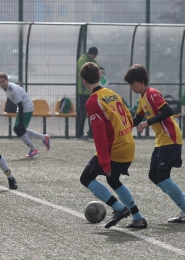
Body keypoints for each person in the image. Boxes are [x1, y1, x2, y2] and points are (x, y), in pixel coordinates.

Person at [79, 62, 147, 229]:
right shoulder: (111, 93)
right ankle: (138, 217)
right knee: (113, 180)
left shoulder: (92, 101)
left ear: (83, 81)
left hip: (115, 147)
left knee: (86, 178)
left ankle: (119, 208)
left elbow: (100, 136)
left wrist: (104, 162)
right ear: (100, 76)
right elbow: (129, 117)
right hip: (128, 143)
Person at [124, 64, 185, 223]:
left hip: (170, 138)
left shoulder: (152, 94)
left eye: (133, 84)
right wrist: (120, 128)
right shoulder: (143, 97)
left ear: (141, 81)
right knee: (154, 175)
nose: (131, 87)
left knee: (163, 176)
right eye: (130, 84)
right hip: (161, 140)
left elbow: (168, 112)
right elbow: (137, 119)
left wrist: (148, 123)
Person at [0, 72, 50, 158]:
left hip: (26, 108)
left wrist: (21, 121)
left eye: (3, 81)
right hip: (23, 108)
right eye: (0, 82)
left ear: (7, 80)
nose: (2, 83)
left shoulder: (12, 89)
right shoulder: (7, 88)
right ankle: (44, 138)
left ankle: (34, 149)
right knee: (21, 130)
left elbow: (21, 105)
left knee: (18, 129)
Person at [76, 47, 105, 139]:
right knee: (82, 112)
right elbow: (85, 72)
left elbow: (103, 70)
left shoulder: (94, 61)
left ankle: (91, 133)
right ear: (91, 54)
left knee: (92, 112)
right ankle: (79, 133)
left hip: (92, 91)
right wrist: (98, 71)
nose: (95, 57)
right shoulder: (82, 60)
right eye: (94, 55)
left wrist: (101, 71)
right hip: (83, 91)